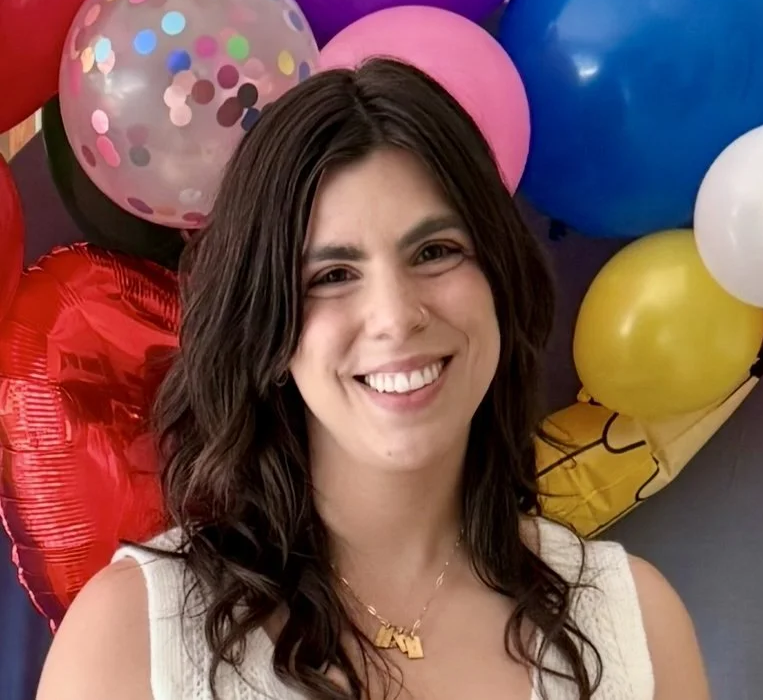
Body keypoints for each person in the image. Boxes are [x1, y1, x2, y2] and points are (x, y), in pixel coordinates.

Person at [36, 59, 710, 700]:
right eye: (332, 275)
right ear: (268, 326)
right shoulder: (131, 639)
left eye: (435, 252)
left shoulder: (635, 628)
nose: (394, 317)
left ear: (500, 284)